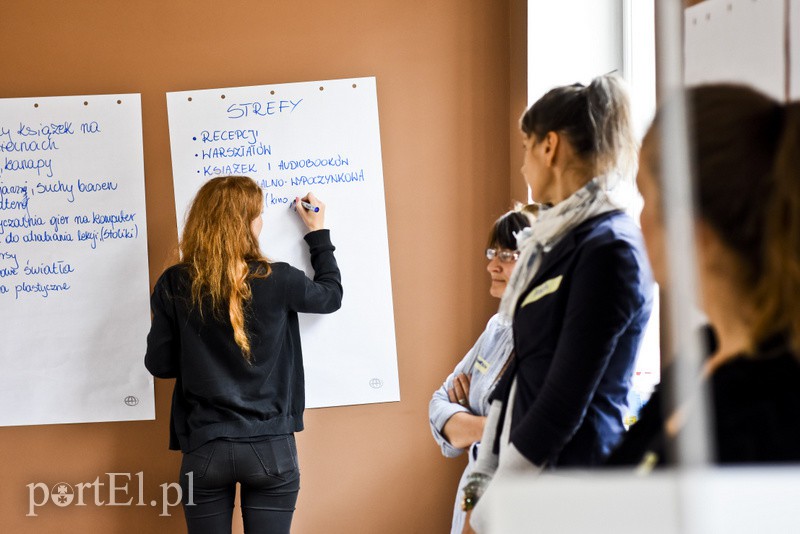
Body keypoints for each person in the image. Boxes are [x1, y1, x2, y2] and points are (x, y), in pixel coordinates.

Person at [465, 74, 654, 532]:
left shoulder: (610, 248)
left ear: (549, 147)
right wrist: (482, 478)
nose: (524, 162)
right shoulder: (555, 240)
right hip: (530, 477)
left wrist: (494, 505)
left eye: (526, 145)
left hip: (572, 484)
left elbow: (564, 399)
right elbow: (526, 367)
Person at [607, 84, 800, 467]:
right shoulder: (702, 353)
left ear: (696, 233)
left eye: (645, 197)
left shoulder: (770, 408)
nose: (638, 220)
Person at [144, 176, 342, 534]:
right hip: (272, 449)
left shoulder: (174, 283)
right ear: (247, 224)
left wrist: (200, 355)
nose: (262, 222)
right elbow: (330, 296)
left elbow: (160, 365)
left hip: (204, 450)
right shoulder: (280, 279)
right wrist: (317, 233)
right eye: (259, 215)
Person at [429, 207, 534, 534]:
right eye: (492, 252)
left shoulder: (551, 343)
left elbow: (525, 432)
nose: (492, 264)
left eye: (507, 254)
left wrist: (467, 419)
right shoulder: (497, 327)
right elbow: (438, 401)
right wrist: (486, 426)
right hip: (473, 497)